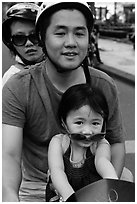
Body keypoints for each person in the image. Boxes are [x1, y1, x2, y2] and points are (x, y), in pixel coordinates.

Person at [2, 2, 130, 202]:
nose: (71, 42)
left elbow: (115, 144)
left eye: (79, 33)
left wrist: (106, 192)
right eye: (60, 33)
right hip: (38, 186)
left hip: (95, 180)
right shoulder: (18, 87)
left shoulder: (104, 85)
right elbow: (9, 158)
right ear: (42, 37)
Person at [46, 84, 118, 202]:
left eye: (95, 123)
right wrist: (71, 198)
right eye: (79, 122)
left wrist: (113, 184)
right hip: (65, 195)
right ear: (64, 122)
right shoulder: (59, 143)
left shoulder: (100, 144)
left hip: (93, 197)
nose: (87, 131)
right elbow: (56, 171)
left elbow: (102, 162)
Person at [2, 2, 45, 87]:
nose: (28, 43)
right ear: (11, 43)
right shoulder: (11, 78)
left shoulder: (61, 68)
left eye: (35, 36)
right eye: (19, 38)